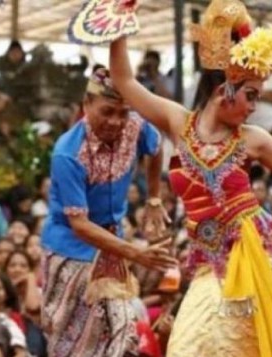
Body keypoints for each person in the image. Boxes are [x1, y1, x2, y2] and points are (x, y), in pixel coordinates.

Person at [109, 1, 272, 355]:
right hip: (206, 261)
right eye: (250, 96)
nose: (253, 107)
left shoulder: (252, 139)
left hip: (250, 252)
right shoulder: (178, 122)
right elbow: (124, 80)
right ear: (225, 90)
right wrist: (119, 24)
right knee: (186, 348)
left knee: (226, 345)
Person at [40, 66, 176, 357]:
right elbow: (80, 225)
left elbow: (155, 149)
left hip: (114, 247)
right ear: (86, 105)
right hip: (71, 250)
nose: (116, 121)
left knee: (124, 329)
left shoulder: (136, 125)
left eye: (123, 112)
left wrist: (154, 198)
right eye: (107, 111)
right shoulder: (68, 153)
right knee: (70, 343)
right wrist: (136, 253)